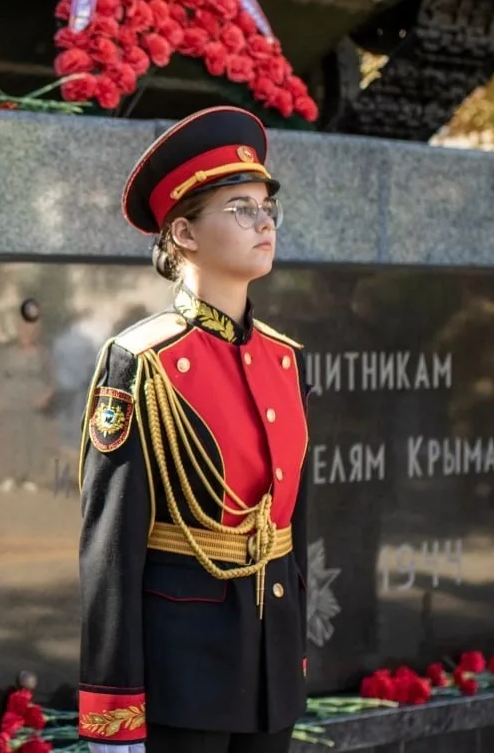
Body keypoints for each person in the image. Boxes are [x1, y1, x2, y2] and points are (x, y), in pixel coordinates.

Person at [76, 106, 310, 753]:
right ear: (183, 231)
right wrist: (113, 708)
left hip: (270, 662)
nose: (264, 222)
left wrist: (294, 648)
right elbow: (111, 547)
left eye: (267, 206)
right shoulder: (142, 362)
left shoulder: (285, 359)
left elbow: (294, 525)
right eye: (241, 208)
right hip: (183, 669)